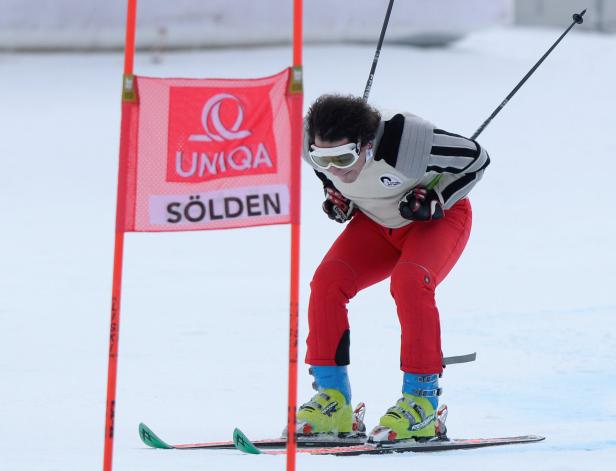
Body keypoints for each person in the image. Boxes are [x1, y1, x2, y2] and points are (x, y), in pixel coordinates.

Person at [296, 94, 490, 442]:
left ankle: (422, 405)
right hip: (376, 223)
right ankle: (333, 400)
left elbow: (477, 158)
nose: (334, 167)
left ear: (367, 145)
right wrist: (336, 193)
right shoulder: (313, 145)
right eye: (321, 158)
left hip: (434, 222)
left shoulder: (406, 143)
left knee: (410, 282)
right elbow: (329, 171)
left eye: (343, 157)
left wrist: (438, 197)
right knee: (327, 282)